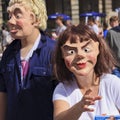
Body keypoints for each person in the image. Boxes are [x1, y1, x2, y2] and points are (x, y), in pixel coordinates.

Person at [0, 0, 57, 120]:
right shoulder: (8, 53)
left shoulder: (53, 51)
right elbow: (3, 92)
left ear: (34, 19)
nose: (10, 21)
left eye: (17, 15)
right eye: (9, 16)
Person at [52, 24, 120, 120]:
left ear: (98, 49)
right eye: (71, 52)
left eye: (86, 49)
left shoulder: (113, 83)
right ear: (62, 56)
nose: (80, 55)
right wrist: (79, 108)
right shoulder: (62, 89)